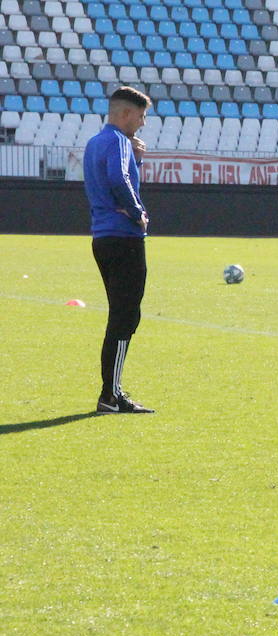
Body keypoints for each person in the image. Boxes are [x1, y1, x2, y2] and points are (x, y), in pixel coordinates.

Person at [84, 86, 155, 414]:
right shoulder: (117, 141)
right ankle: (110, 395)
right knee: (126, 315)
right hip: (124, 239)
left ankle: (111, 392)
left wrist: (135, 158)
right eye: (140, 116)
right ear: (125, 114)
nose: (142, 123)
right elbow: (118, 179)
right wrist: (136, 211)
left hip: (102, 237)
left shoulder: (95, 142)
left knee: (121, 315)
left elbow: (110, 177)